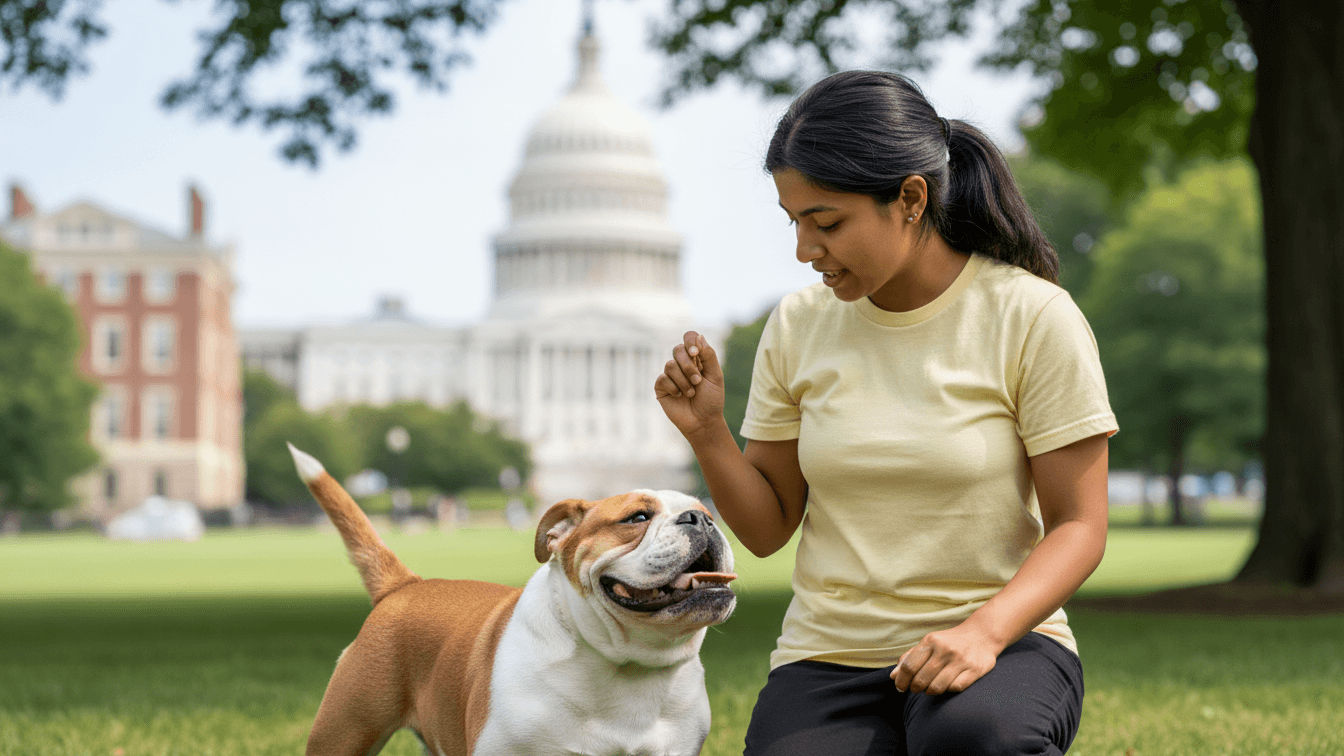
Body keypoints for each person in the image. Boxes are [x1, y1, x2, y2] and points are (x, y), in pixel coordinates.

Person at [655, 70, 1117, 756]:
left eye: (827, 222)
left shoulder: (1033, 316)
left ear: (910, 198)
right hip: (830, 655)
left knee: (971, 739)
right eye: (795, 222)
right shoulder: (799, 325)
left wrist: (983, 633)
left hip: (1005, 641)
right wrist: (708, 433)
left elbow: (1079, 526)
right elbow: (767, 528)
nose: (805, 250)